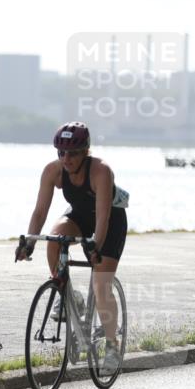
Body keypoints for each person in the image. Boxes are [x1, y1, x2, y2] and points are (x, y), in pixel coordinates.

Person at [15, 122, 128, 371]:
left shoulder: (101, 171)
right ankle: (68, 293)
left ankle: (112, 344)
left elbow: (103, 218)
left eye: (73, 153)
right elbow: (40, 211)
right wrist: (29, 242)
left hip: (109, 222)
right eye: (61, 152)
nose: (66, 158)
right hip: (78, 217)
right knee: (55, 239)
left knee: (101, 286)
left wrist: (95, 246)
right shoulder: (52, 171)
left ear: (85, 151)